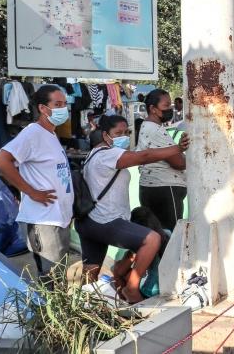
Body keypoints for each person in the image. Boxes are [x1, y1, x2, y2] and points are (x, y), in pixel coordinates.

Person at [75, 115, 190, 303]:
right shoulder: (108, 154)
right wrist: (177, 149)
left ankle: (82, 311)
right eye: (118, 133)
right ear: (105, 135)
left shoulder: (93, 155)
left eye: (126, 132)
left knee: (90, 276)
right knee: (153, 239)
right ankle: (132, 287)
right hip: (106, 221)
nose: (124, 137)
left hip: (88, 222)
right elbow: (144, 156)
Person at [0, 85, 73, 275]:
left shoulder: (50, 134)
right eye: (58, 104)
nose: (64, 109)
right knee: (52, 279)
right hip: (43, 221)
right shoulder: (33, 133)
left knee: (58, 277)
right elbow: (2, 160)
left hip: (57, 218)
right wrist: (31, 192)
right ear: (43, 108)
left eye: (65, 104)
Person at [136, 89, 187, 231]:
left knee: (158, 234)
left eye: (170, 105)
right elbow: (178, 162)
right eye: (166, 106)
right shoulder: (155, 130)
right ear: (152, 109)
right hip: (165, 188)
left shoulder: (150, 127)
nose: (170, 109)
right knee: (172, 236)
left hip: (155, 187)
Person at [111, 206, 171, 300]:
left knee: (117, 269)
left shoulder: (141, 241)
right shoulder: (167, 234)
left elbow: (120, 271)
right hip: (171, 286)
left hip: (150, 291)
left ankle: (126, 301)